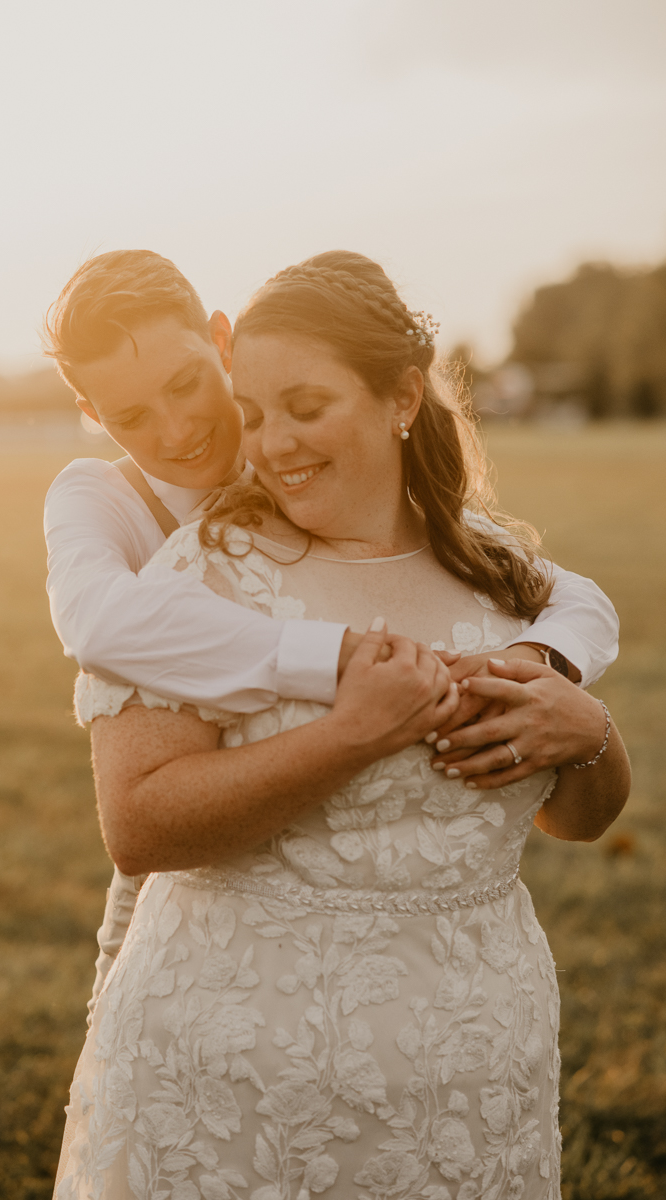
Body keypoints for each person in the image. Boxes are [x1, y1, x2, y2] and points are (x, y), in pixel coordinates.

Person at [53, 252, 630, 1199]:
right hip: (238, 1086)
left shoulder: (502, 574)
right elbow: (140, 823)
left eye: (303, 408)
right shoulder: (194, 571)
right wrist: (346, 722)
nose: (263, 444)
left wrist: (582, 717)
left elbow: (578, 817)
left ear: (403, 398)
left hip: (476, 1079)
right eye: (256, 415)